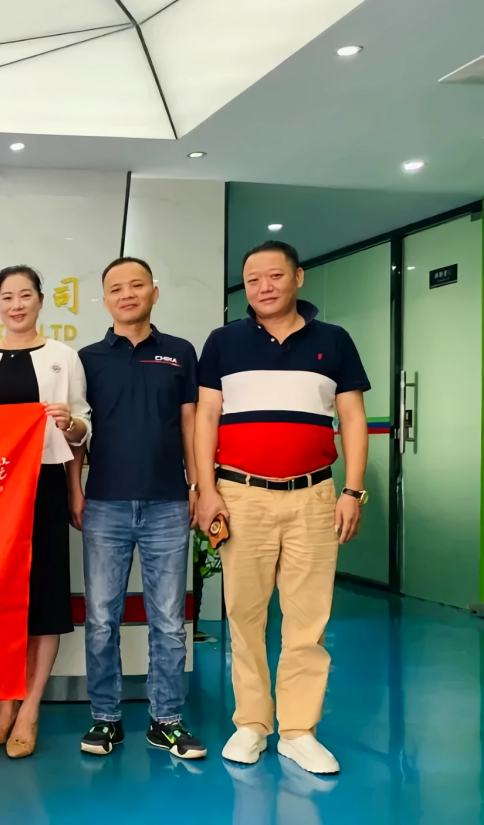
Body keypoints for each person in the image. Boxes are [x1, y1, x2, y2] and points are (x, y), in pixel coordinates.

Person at [195, 241, 369, 776]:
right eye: (252, 279)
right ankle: (252, 723)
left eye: (274, 276)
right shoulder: (223, 342)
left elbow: (352, 417)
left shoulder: (334, 341)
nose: (263, 287)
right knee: (244, 614)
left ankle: (298, 731)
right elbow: (205, 418)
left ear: (298, 277)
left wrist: (353, 491)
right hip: (240, 494)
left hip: (314, 496)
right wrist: (206, 489)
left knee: (308, 617)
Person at [76, 257, 206, 760]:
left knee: (169, 620)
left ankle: (166, 720)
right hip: (105, 503)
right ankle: (105, 719)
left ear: (154, 291)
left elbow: (190, 423)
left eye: (136, 285)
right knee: (101, 619)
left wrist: (198, 484)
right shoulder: (88, 358)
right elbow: (79, 433)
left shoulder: (180, 352)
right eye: (116, 288)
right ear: (105, 299)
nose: (126, 294)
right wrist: (74, 490)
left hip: (168, 503)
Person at [0, 265, 89, 759]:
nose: (16, 305)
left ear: (40, 300)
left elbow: (81, 430)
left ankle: (30, 708)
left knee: (44, 597)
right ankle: (5, 703)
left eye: (25, 296)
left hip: (46, 488)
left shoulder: (63, 357)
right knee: (0, 601)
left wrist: (71, 430)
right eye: (7, 297)